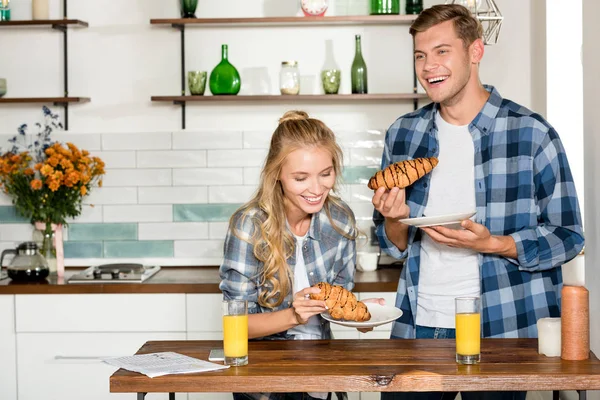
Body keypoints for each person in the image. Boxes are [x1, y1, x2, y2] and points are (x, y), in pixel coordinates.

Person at [372, 4, 584, 400]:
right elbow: (392, 244)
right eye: (420, 55)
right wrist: (394, 218)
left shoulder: (532, 134)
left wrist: (495, 244)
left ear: (475, 51)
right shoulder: (402, 135)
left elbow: (569, 236)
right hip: (421, 324)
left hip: (502, 327)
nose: (428, 66)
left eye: (441, 51)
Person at [220, 110, 368, 400]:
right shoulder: (249, 225)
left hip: (321, 376)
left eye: (326, 174)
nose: (317, 189)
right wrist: (293, 315)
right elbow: (235, 326)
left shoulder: (339, 221)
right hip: (263, 383)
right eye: (301, 178)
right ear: (277, 174)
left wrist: (358, 312)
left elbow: (337, 301)